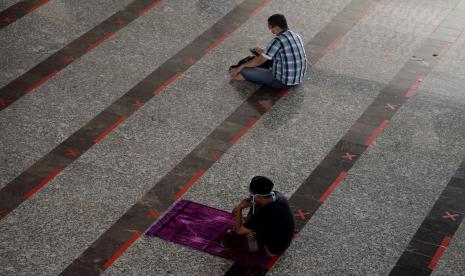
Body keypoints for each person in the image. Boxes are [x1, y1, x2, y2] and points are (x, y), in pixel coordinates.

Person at [229, 14, 307, 89]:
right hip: (297, 79)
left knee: (243, 71)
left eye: (270, 28)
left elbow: (259, 61)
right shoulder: (296, 36)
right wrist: (263, 52)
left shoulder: (277, 41)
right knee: (260, 57)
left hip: (282, 82)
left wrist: (240, 67)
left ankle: (249, 75)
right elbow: (285, 53)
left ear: (276, 27)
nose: (270, 30)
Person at [223, 176, 295, 256]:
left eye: (251, 195)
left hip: (272, 249)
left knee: (232, 237)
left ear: (258, 196)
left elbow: (239, 231)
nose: (250, 197)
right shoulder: (278, 196)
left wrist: (240, 208)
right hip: (283, 241)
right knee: (254, 210)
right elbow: (257, 204)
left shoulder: (264, 212)